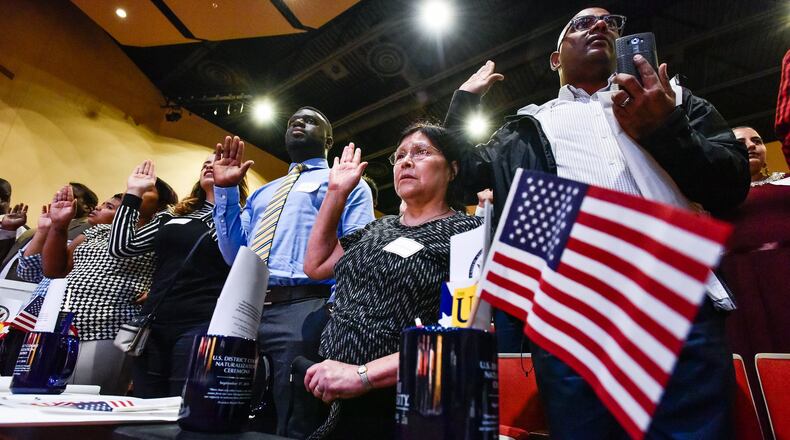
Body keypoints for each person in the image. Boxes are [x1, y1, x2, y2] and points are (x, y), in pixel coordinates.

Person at [444, 7, 750, 438]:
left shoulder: (671, 98)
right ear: (556, 58)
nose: (601, 26)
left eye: (610, 22)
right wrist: (463, 105)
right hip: (570, 318)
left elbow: (732, 182)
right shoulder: (527, 128)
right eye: (583, 23)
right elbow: (459, 179)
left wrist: (666, 128)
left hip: (674, 304)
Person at [303, 122, 482, 438]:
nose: (406, 161)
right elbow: (316, 264)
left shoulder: (469, 234)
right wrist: (336, 192)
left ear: (452, 169)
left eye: (421, 152)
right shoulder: (377, 228)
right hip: (330, 387)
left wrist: (362, 375)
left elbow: (458, 337)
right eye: (399, 156)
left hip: (400, 398)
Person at [211, 107, 375, 438]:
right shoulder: (262, 192)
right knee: (227, 407)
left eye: (310, 120)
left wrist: (335, 309)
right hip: (246, 307)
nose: (297, 123)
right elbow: (233, 253)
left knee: (294, 415)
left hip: (305, 308)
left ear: (328, 140)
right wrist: (226, 191)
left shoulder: (346, 184)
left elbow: (357, 253)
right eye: (291, 122)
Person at [108, 158, 236, 398]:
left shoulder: (237, 217)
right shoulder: (172, 215)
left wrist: (227, 195)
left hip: (202, 321)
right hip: (155, 321)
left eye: (217, 162)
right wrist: (133, 194)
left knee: (181, 400)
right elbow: (121, 247)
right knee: (145, 402)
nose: (209, 165)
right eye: (205, 163)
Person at [35, 186, 155, 395]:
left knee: (86, 400)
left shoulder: (155, 235)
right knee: (38, 393)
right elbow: (54, 270)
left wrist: (156, 290)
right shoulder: (97, 231)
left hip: (109, 327)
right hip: (62, 323)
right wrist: (59, 226)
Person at [720, 126, 790, 431]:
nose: (751, 146)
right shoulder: (713, 197)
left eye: (757, 141)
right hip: (740, 288)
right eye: (741, 143)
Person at [1, 182, 99, 281]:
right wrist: (9, 229)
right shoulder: (33, 231)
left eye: (69, 195)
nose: (60, 198)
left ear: (88, 207)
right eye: (59, 194)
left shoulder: (88, 232)